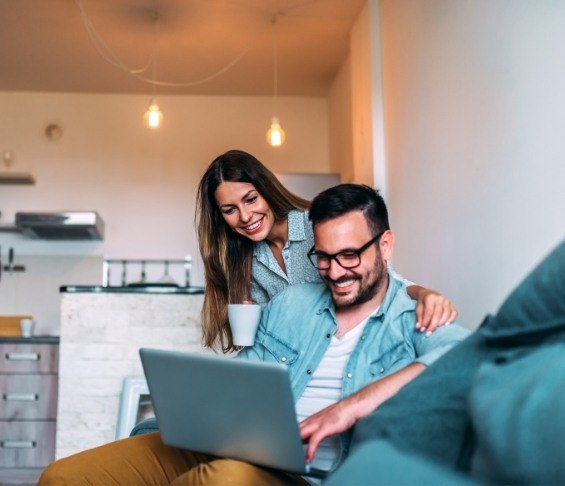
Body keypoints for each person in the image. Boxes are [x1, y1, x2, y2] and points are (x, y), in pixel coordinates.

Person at [39, 184, 470, 485]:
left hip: (302, 475)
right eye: (323, 258)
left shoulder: (415, 313)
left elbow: (468, 357)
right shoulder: (291, 304)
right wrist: (200, 409)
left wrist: (348, 409)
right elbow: (246, 381)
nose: (335, 272)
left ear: (386, 245)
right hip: (237, 449)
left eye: (349, 255)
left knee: (224, 480)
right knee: (64, 476)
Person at [325, 240, 565, 485]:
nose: (334, 270)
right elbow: (501, 332)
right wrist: (421, 292)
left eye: (349, 255)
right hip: (490, 358)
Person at [196, 149, 458, 352]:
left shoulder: (317, 227)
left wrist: (424, 294)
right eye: (230, 210)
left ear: (266, 190)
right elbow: (267, 334)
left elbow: (382, 280)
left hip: (351, 346)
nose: (245, 216)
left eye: (251, 199)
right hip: (302, 363)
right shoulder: (246, 260)